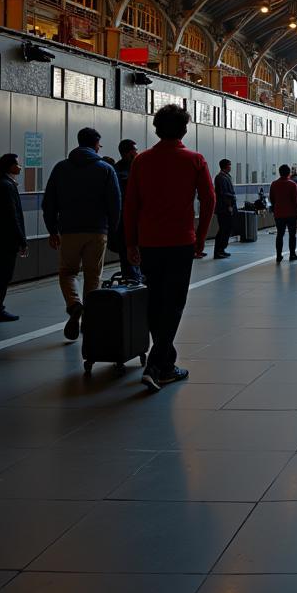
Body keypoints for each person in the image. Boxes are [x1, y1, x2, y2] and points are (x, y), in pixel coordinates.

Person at [123, 104, 214, 392]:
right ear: (185, 129)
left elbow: (131, 205)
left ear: (157, 129)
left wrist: (130, 241)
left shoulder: (141, 161)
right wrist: (200, 236)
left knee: (154, 299)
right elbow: (209, 200)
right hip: (181, 241)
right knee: (174, 302)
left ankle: (164, 361)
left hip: (149, 241)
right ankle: (157, 365)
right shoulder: (195, 159)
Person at [42, 127, 121, 342]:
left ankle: (74, 303)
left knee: (68, 272)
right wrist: (112, 230)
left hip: (68, 231)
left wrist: (52, 229)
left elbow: (48, 202)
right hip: (97, 231)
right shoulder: (105, 169)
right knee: (93, 276)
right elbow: (115, 204)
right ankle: (89, 319)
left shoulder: (60, 168)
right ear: (96, 144)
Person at [0, 153, 27, 322]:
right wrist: (21, 239)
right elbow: (12, 215)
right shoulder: (6, 186)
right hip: (4, 241)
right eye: (17, 164)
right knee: (2, 275)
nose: (20, 166)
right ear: (10, 167)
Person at [113, 140, 140, 279]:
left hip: (126, 222)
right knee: (130, 259)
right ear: (129, 153)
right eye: (135, 150)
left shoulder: (116, 170)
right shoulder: (125, 172)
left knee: (129, 258)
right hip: (128, 222)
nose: (137, 152)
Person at [269, 165, 297, 264]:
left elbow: (271, 198)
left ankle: (279, 255)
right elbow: (296, 200)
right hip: (291, 213)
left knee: (280, 234)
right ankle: (292, 254)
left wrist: (276, 207)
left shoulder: (274, 184)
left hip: (279, 213)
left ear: (279, 172)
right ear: (289, 173)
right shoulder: (292, 184)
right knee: (292, 234)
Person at [213, 159, 237, 259]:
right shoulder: (220, 178)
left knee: (227, 229)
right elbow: (223, 193)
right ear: (225, 166)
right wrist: (229, 206)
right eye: (229, 165)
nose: (230, 167)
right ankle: (218, 251)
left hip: (227, 207)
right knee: (223, 229)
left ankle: (222, 249)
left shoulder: (226, 176)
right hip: (224, 208)